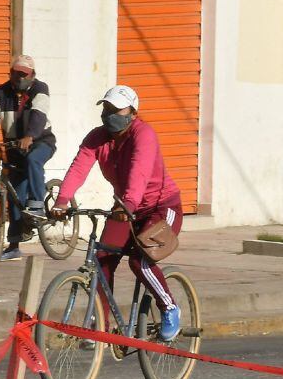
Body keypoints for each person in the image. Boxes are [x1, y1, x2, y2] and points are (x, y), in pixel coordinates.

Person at [50, 84, 183, 341]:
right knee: (101, 260)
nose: (109, 114)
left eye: (116, 109)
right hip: (125, 208)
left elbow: (139, 171)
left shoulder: (143, 134)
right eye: (106, 109)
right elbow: (79, 167)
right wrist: (62, 201)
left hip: (161, 206)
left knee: (140, 260)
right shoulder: (97, 138)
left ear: (132, 112)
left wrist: (130, 203)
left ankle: (169, 307)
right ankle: (99, 323)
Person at [0, 54, 56, 261]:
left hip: (41, 141)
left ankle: (37, 204)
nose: (19, 77)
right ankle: (14, 245)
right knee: (14, 192)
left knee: (34, 160)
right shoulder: (1, 92)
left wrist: (30, 136)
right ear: (10, 73)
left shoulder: (39, 89)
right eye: (16, 73)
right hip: (14, 147)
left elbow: (39, 114)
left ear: (32, 75)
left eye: (24, 74)